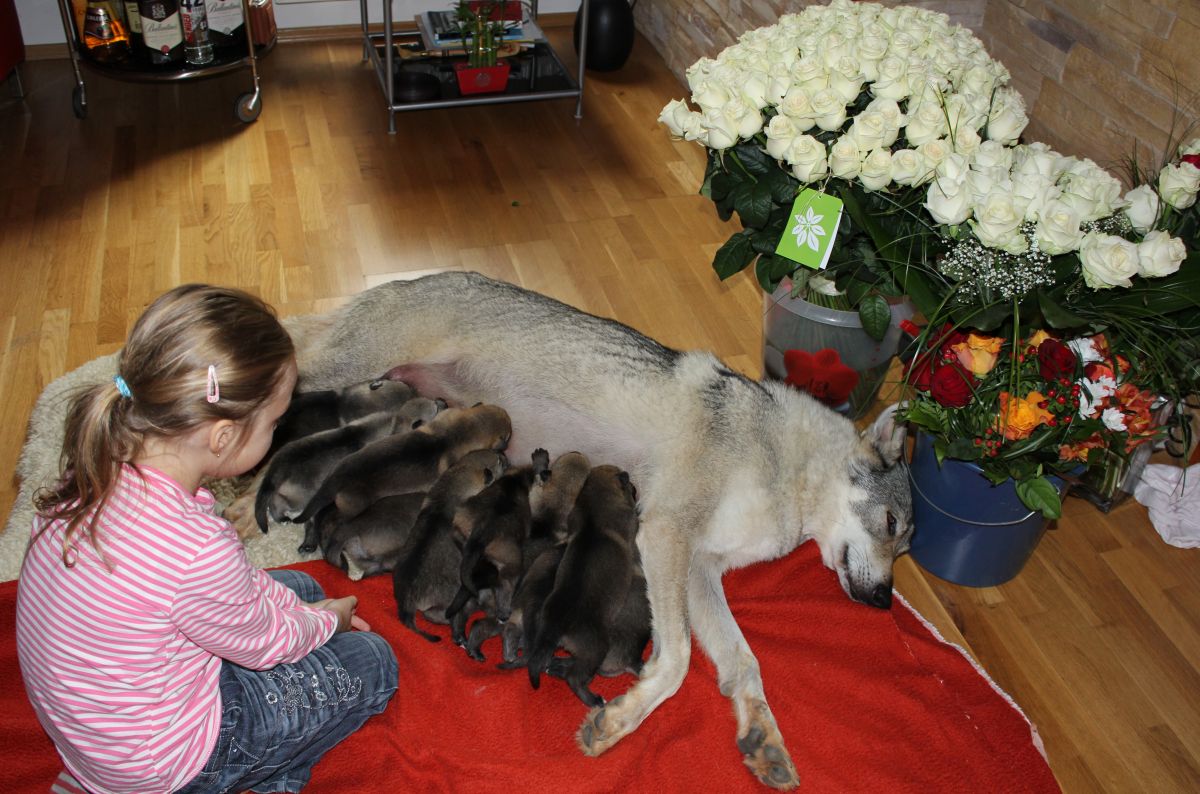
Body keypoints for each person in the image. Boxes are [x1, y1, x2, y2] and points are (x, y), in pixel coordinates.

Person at [15, 284, 398, 794]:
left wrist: (304, 610)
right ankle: (261, 779)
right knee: (374, 662)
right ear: (221, 437)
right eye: (274, 423)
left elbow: (227, 599)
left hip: (102, 729)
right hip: (165, 764)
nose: (277, 434)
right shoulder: (194, 546)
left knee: (297, 590)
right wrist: (330, 623)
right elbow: (266, 644)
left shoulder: (89, 472)